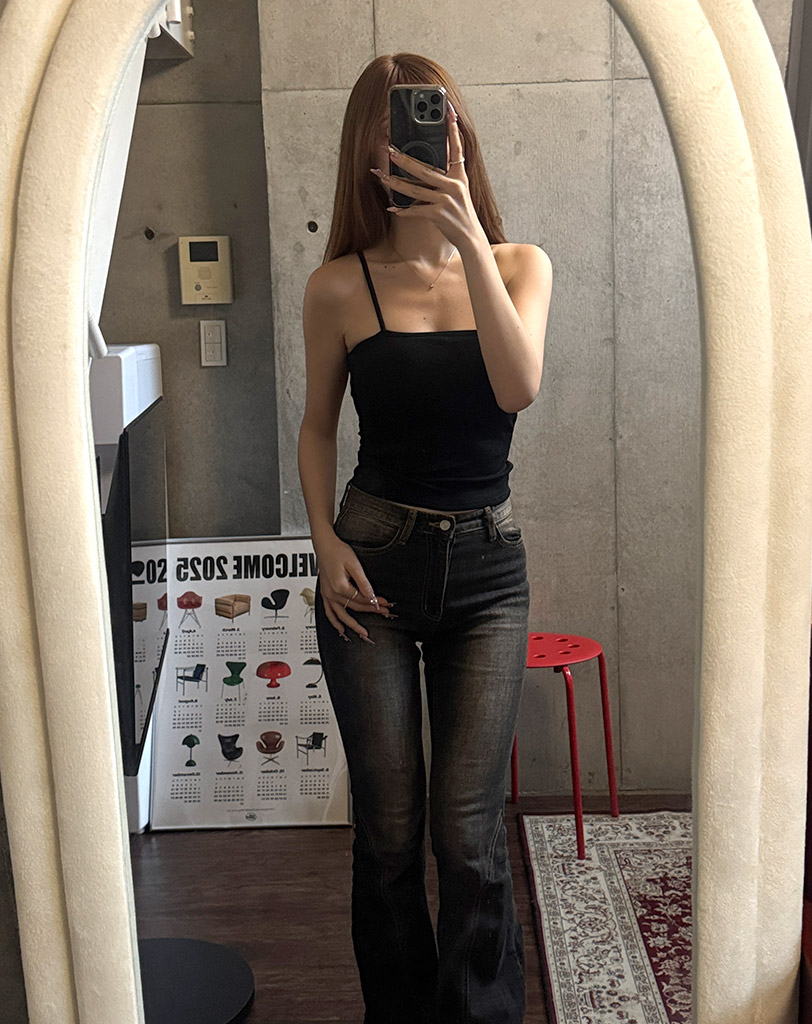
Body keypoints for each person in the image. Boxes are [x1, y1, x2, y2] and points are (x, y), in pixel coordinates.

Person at [297, 52, 552, 1024]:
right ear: (367, 154)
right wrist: (322, 542)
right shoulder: (337, 287)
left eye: (432, 123)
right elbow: (318, 428)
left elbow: (516, 387)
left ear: (458, 134)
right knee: (390, 832)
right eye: (396, 131)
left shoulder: (520, 265)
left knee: (470, 834)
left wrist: (467, 239)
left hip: (488, 572)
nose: (415, 146)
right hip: (372, 562)